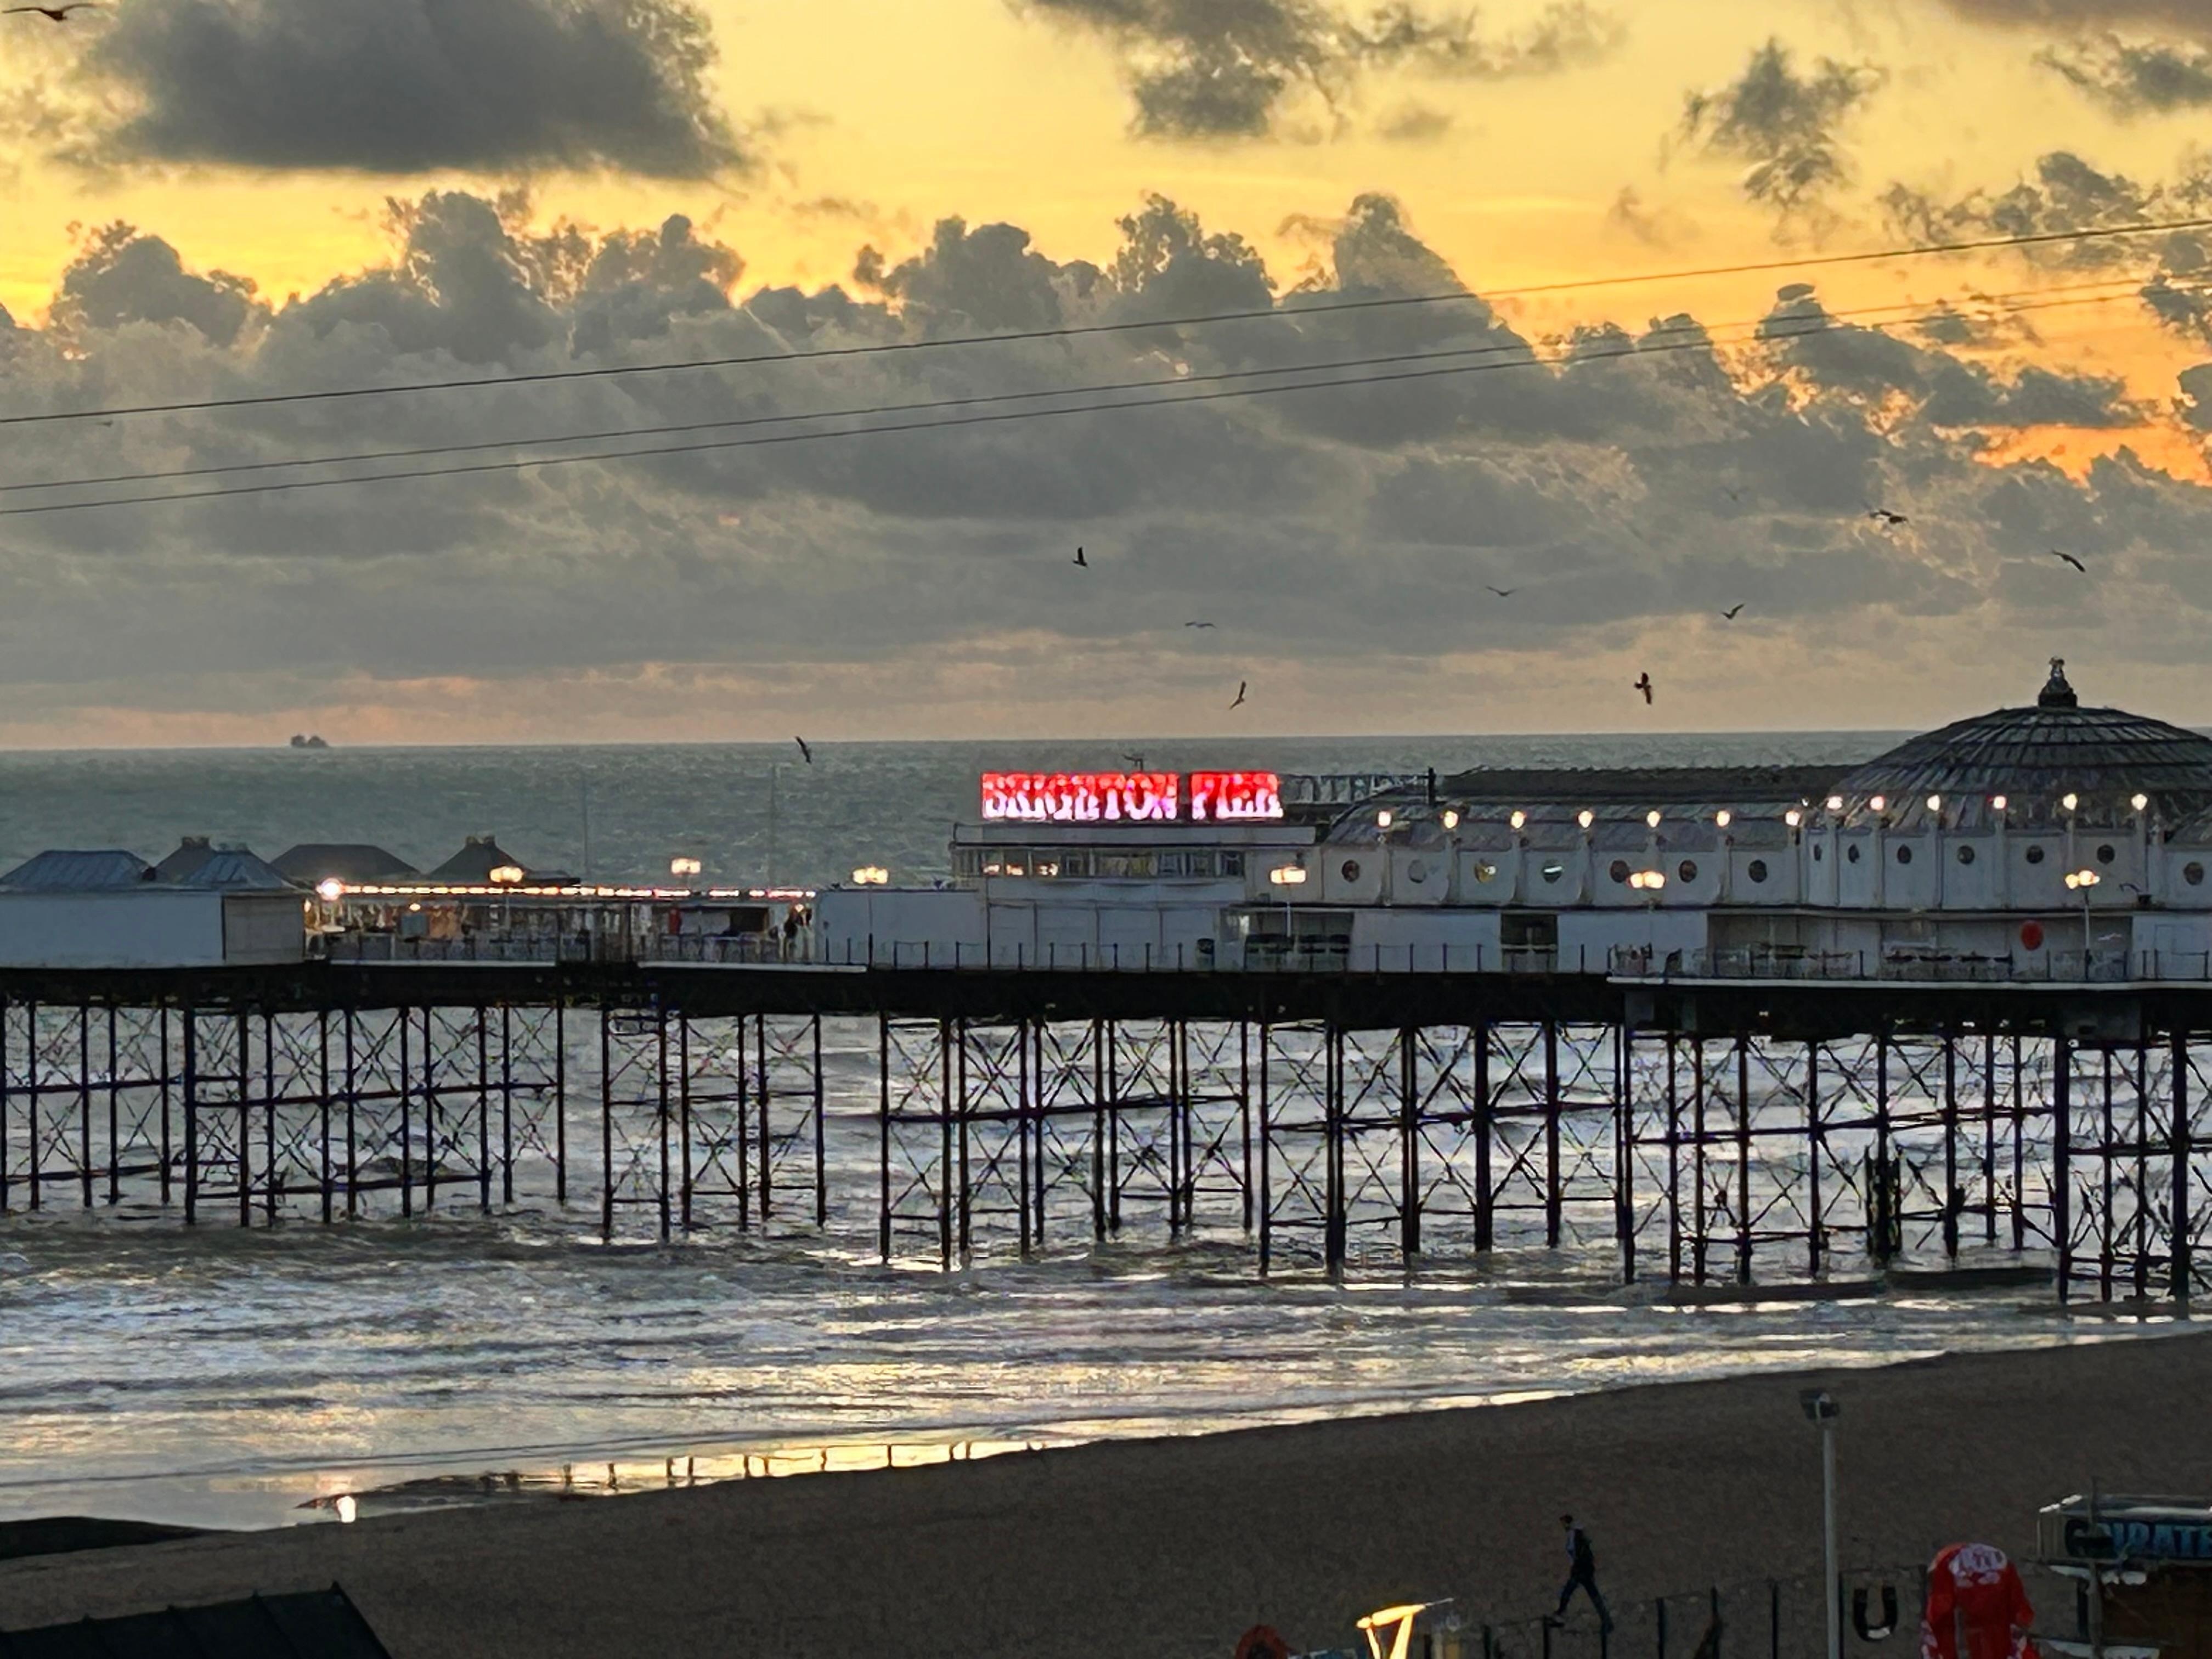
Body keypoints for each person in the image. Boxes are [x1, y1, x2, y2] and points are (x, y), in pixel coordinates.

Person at [1548, 1514, 1613, 1633]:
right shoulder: (1577, 1533)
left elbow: (1575, 1553)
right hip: (1584, 1570)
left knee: (1568, 1592)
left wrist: (1575, 1567)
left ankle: (1561, 1615)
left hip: (1580, 1570)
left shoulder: (1573, 1535)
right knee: (1593, 1595)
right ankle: (1606, 1620)